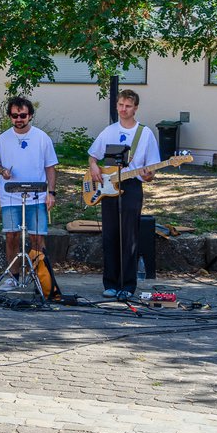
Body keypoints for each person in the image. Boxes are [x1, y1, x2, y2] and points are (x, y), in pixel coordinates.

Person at [88, 89, 159, 300]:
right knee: (110, 235)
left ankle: (127, 285)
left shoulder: (145, 134)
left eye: (128, 106)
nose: (123, 109)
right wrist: (93, 167)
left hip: (132, 187)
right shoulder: (109, 131)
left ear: (135, 108)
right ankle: (110, 283)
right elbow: (93, 155)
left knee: (129, 237)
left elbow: (151, 170)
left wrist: (147, 176)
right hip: (109, 187)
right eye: (120, 105)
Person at [0, 97, 58, 291]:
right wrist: (2, 171)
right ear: (10, 116)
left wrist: (51, 193)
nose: (19, 119)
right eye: (15, 115)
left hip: (36, 195)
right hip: (11, 196)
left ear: (30, 116)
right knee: (11, 236)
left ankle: (40, 277)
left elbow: (51, 168)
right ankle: (13, 276)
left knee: (37, 238)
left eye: (23, 115)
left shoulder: (42, 137)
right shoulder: (3, 139)